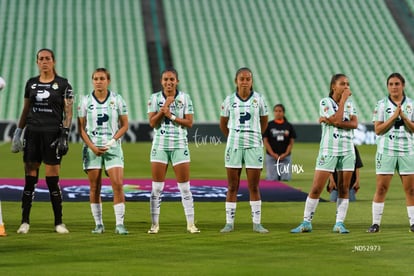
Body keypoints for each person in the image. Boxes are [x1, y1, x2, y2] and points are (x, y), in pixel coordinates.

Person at [11, 48, 73, 234]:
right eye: (41, 59)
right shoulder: (31, 83)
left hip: (52, 135)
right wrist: (18, 132)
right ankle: (25, 222)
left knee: (52, 180)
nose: (44, 61)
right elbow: (25, 109)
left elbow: (68, 112)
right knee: (30, 180)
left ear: (53, 61)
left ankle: (59, 223)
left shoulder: (64, 85)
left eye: (47, 58)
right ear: (37, 62)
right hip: (33, 134)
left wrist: (65, 134)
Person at [290, 73, 358, 234]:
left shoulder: (350, 104)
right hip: (328, 150)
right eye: (343, 84)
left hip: (348, 149)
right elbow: (337, 119)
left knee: (344, 188)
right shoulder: (325, 102)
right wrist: (337, 114)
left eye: (348, 84)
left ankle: (339, 223)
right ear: (333, 86)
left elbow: (354, 123)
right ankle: (306, 222)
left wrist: (330, 120)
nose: (346, 87)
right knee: (316, 188)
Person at [147, 68, 200, 234]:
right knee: (157, 188)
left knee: (185, 188)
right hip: (160, 146)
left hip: (179, 145)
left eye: (172, 79)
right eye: (165, 80)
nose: (169, 83)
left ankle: (191, 224)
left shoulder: (185, 98)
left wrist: (171, 115)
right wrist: (164, 109)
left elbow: (190, 123)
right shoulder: (154, 98)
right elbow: (152, 123)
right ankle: (154, 225)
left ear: (177, 81)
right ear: (161, 82)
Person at [78, 68, 129, 235]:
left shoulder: (117, 99)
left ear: (108, 80)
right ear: (92, 81)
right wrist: (92, 147)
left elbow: (125, 125)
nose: (98, 81)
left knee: (118, 184)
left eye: (102, 78)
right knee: (94, 187)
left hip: (112, 148)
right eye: (95, 78)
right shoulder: (85, 101)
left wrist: (112, 141)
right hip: (92, 149)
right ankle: (99, 224)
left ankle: (120, 224)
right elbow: (81, 129)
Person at [219, 67, 269, 233]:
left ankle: (257, 223)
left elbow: (264, 121)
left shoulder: (259, 99)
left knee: (254, 186)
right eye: (242, 79)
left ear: (251, 81)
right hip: (234, 144)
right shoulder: (229, 100)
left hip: (254, 144)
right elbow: (223, 123)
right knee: (232, 186)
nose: (245, 82)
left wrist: (255, 135)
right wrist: (233, 136)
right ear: (236, 81)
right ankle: (229, 223)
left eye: (248, 79)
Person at [367, 73, 414, 233]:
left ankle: (413, 223)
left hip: (407, 151)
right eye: (391, 84)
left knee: (411, 190)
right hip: (386, 151)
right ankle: (375, 223)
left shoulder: (412, 105)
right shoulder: (381, 105)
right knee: (381, 188)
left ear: (403, 85)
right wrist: (394, 117)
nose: (394, 87)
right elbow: (378, 130)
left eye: (397, 84)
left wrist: (405, 118)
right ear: (388, 87)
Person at [263, 104, 296, 181]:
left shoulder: (288, 126)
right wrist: (273, 154)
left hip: (285, 157)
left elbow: (291, 142)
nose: (278, 113)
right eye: (276, 111)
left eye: (280, 111)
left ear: (283, 112)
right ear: (273, 112)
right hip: (271, 156)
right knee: (272, 179)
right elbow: (265, 141)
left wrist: (285, 154)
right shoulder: (269, 125)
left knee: (286, 179)